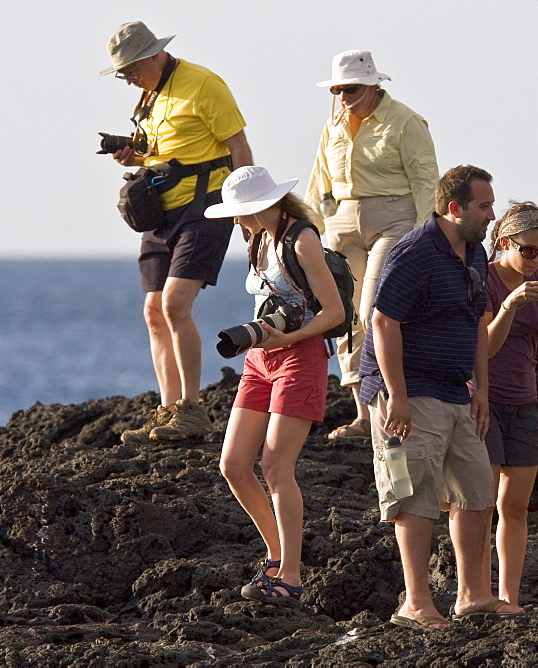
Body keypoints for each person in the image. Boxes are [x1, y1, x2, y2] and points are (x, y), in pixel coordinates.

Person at [359, 165, 523, 631]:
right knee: (413, 496)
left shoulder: (472, 252)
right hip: (408, 388)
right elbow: (383, 322)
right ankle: (415, 603)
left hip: (456, 391)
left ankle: (472, 595)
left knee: (476, 491)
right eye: (485, 206)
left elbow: (476, 320)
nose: (492, 215)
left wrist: (483, 390)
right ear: (455, 208)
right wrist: (397, 396)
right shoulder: (415, 252)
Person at [100, 21, 254, 443]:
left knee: (174, 305)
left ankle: (192, 411)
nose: (127, 78)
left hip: (205, 208)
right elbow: (162, 148)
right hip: (159, 212)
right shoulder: (150, 94)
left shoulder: (204, 84)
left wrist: (247, 212)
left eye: (131, 69)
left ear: (154, 55)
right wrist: (134, 153)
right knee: (153, 311)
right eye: (122, 72)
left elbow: (238, 147)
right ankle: (168, 410)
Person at [203, 166, 344, 606]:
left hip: (300, 356)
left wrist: (291, 337)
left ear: (267, 204)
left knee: (276, 467)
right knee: (233, 465)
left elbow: (335, 312)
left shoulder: (302, 239)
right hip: (261, 356)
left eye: (241, 212)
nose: (236, 219)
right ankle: (275, 554)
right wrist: (270, 337)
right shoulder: (258, 237)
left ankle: (293, 576)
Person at [305, 50, 439, 441]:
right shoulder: (332, 125)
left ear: (373, 85)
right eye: (337, 89)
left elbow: (425, 180)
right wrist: (305, 233)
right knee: (342, 314)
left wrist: (421, 236)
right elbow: (318, 184)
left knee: (372, 311)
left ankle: (384, 406)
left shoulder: (406, 122)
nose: (343, 96)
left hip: (393, 221)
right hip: (341, 224)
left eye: (351, 88)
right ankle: (362, 415)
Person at [481, 202, 538, 607]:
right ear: (504, 243)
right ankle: (479, 594)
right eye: (529, 250)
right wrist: (510, 305)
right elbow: (484, 348)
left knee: (514, 507)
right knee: (480, 506)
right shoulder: (485, 279)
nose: (536, 260)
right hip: (485, 400)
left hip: (525, 401)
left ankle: (509, 598)